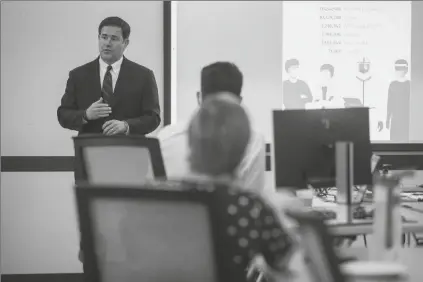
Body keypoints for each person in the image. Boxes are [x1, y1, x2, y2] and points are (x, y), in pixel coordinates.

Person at [183, 98, 296, 281]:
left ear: (190, 143)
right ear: (243, 150)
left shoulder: (157, 202)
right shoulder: (250, 207)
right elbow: (284, 262)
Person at [158, 62, 266, 192]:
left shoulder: (166, 137)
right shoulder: (254, 141)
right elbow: (252, 195)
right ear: (239, 102)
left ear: (200, 97)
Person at [57, 17, 160, 136]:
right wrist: (85, 115)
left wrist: (127, 125)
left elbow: (153, 117)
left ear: (125, 43)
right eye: (104, 37)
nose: (107, 43)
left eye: (114, 39)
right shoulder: (78, 75)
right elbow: (63, 114)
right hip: (90, 148)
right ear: (98, 38)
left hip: (129, 149)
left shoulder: (143, 75)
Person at [384, 59, 411, 142]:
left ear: (406, 70)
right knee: (394, 142)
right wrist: (388, 119)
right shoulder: (392, 85)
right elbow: (390, 103)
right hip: (395, 119)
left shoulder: (410, 85)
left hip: (407, 119)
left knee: (405, 141)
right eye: (397, 69)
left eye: (401, 69)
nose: (399, 72)